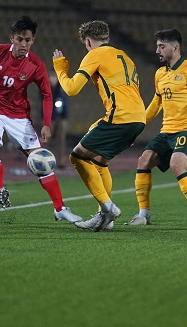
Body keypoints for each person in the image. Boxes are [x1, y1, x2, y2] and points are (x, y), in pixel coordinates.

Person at [0, 16, 82, 223]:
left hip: (19, 117)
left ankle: (60, 208)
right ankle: (0, 190)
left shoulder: (36, 65)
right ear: (12, 38)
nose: (23, 44)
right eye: (20, 39)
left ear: (33, 41)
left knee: (42, 162)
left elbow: (47, 94)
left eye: (28, 40)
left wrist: (46, 123)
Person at [52, 20, 146, 232]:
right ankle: (106, 219)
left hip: (120, 117)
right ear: (108, 38)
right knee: (100, 162)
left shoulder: (94, 54)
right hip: (138, 118)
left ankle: (107, 208)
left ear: (87, 42)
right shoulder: (126, 57)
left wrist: (60, 70)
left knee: (77, 156)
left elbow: (71, 89)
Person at [125, 29, 187, 227]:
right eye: (157, 46)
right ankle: (144, 215)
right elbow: (155, 104)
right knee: (143, 161)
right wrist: (136, 127)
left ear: (175, 47)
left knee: (177, 164)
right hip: (166, 131)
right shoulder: (160, 73)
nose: (157, 50)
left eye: (162, 46)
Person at [48, 70, 70, 163]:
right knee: (46, 139)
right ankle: (40, 159)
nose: (53, 78)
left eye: (55, 75)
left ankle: (60, 161)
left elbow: (66, 101)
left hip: (61, 117)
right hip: (49, 117)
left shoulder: (63, 86)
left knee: (61, 139)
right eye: (51, 75)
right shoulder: (45, 86)